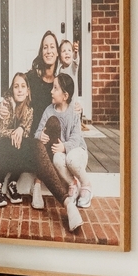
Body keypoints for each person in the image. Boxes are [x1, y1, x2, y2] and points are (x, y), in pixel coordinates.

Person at [35, 71, 91, 217]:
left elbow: (77, 137)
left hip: (77, 151)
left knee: (70, 158)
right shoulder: (49, 111)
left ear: (65, 96)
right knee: (57, 159)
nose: (51, 91)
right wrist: (41, 135)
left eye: (55, 88)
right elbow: (38, 132)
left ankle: (86, 184)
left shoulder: (73, 113)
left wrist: (64, 146)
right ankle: (72, 184)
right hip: (61, 153)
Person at [0, 71, 34, 208]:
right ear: (12, 90)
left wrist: (21, 129)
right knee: (7, 141)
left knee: (26, 143)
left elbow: (27, 130)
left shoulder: (29, 110)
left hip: (16, 151)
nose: (19, 90)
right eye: (16, 86)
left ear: (27, 91)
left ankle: (12, 183)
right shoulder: (7, 104)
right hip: (1, 151)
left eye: (23, 86)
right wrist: (17, 131)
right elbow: (2, 132)